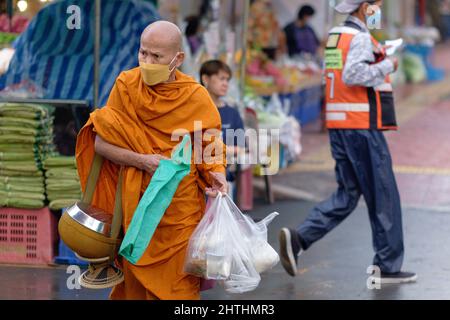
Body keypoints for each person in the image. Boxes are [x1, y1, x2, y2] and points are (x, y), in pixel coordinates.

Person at [76, 21, 228, 300]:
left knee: (177, 289)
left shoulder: (195, 96)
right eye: (143, 53)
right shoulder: (126, 85)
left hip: (179, 214)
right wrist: (141, 160)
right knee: (135, 287)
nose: (147, 62)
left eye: (156, 57)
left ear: (177, 58)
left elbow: (210, 146)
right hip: (136, 211)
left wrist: (218, 174)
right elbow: (100, 143)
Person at [279, 0, 417, 284]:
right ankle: (388, 266)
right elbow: (353, 74)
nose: (378, 9)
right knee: (383, 194)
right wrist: (388, 64)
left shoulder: (336, 35)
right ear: (365, 6)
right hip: (360, 128)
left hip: (340, 126)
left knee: (348, 194)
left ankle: (300, 238)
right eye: (376, 4)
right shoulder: (361, 38)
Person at [199, 60, 245, 196]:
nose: (225, 83)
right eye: (221, 78)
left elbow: (241, 148)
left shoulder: (232, 113)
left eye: (227, 80)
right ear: (205, 78)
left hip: (225, 178)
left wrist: (214, 149)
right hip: (197, 180)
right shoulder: (195, 110)